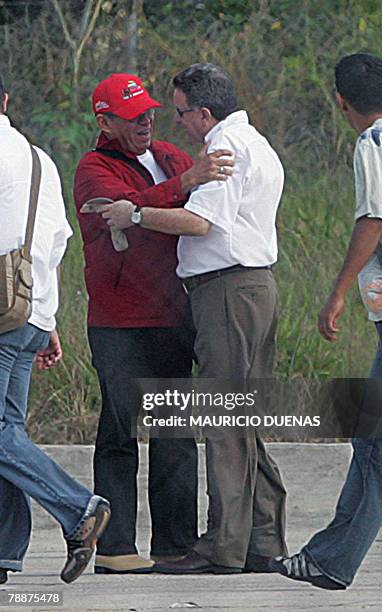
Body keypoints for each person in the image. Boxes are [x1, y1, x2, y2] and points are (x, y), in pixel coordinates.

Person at [101, 63, 288, 574]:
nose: (177, 122)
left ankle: (224, 546)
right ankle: (264, 538)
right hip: (256, 286)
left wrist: (136, 214)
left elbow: (201, 221)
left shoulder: (222, 150)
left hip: (226, 290)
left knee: (225, 421)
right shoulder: (259, 143)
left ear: (204, 113)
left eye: (181, 113)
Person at [74, 73, 233, 573]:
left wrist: (179, 189)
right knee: (120, 430)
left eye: (150, 112)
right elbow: (117, 212)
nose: (146, 121)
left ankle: (174, 544)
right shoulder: (93, 168)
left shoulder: (169, 155)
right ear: (106, 122)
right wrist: (183, 186)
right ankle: (116, 548)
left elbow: (191, 206)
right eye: (133, 116)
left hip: (172, 313)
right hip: (119, 320)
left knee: (175, 434)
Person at [270, 52, 382, 590]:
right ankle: (331, 557)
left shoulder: (372, 144)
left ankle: (332, 559)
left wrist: (336, 293)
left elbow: (373, 219)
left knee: (375, 440)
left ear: (341, 102)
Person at [0, 75, 110, 585]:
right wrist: (47, 320)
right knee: (6, 432)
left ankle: (79, 509)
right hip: (29, 309)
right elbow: (57, 242)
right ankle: (4, 551)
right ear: (5, 100)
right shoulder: (39, 158)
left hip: (2, 316)